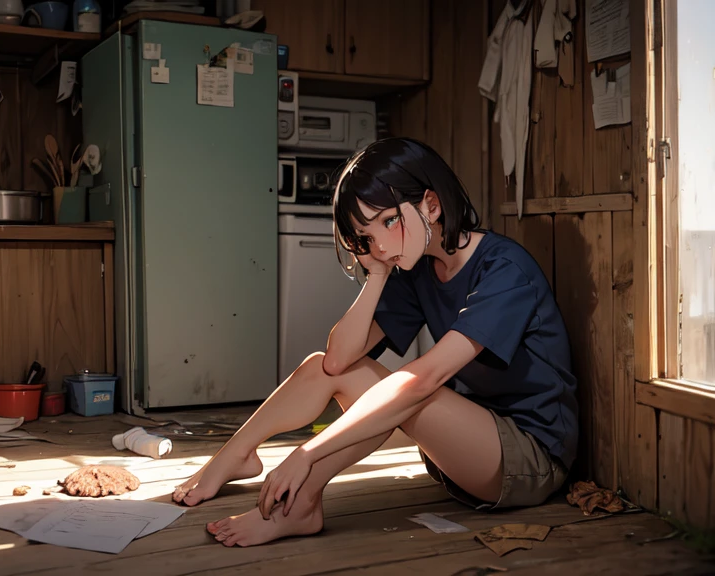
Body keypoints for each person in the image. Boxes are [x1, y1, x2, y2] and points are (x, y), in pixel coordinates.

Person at [171, 137, 579, 548]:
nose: (380, 244)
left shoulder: (505, 271)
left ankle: (297, 504)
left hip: (527, 460)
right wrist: (378, 274)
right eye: (366, 236)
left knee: (412, 388)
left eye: (387, 222)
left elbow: (423, 380)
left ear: (431, 206)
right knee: (328, 367)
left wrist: (308, 452)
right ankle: (235, 456)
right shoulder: (418, 269)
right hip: (466, 446)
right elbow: (335, 362)